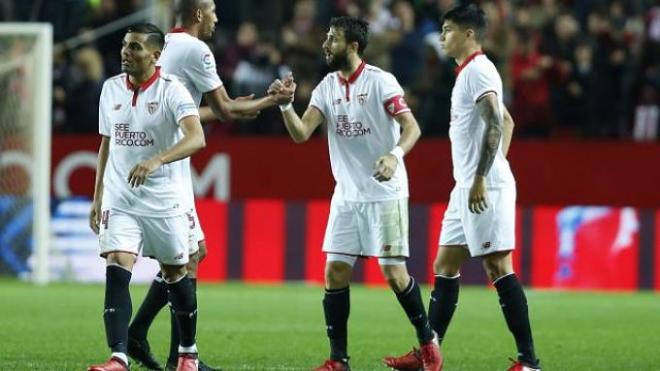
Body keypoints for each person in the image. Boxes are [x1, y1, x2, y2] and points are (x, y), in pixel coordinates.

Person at [124, 1, 293, 371]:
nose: (217, 17)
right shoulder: (196, 49)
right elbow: (227, 110)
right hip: (168, 167)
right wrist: (272, 100)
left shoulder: (164, 45)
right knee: (184, 259)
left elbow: (186, 108)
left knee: (191, 254)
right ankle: (181, 358)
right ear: (198, 14)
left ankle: (152, 342)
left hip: (164, 160)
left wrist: (232, 107)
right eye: (213, 10)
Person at [268, 16, 442, 371]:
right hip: (346, 196)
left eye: (332, 39)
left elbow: (412, 127)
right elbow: (301, 134)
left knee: (394, 275)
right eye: (326, 37)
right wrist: (286, 105)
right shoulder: (326, 87)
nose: (325, 44)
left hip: (385, 192)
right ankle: (338, 360)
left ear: (353, 46)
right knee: (334, 272)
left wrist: (394, 156)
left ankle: (428, 346)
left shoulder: (381, 82)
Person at [383, 4, 541, 371]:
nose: (442, 36)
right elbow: (508, 121)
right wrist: (484, 171)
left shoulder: (480, 71)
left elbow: (497, 125)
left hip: (482, 185)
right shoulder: (469, 73)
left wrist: (486, 177)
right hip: (467, 185)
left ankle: (529, 362)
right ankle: (429, 355)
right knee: (445, 263)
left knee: (498, 265)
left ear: (469, 34)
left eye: (449, 29)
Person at [88, 23, 204, 371]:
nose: (126, 52)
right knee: (118, 262)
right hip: (121, 199)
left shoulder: (173, 91)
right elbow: (106, 144)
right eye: (125, 45)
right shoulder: (110, 89)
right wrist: (98, 196)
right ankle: (118, 356)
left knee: (174, 272)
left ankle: (187, 352)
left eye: (135, 47)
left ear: (155, 55)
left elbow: (197, 137)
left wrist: (156, 160)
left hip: (163, 199)